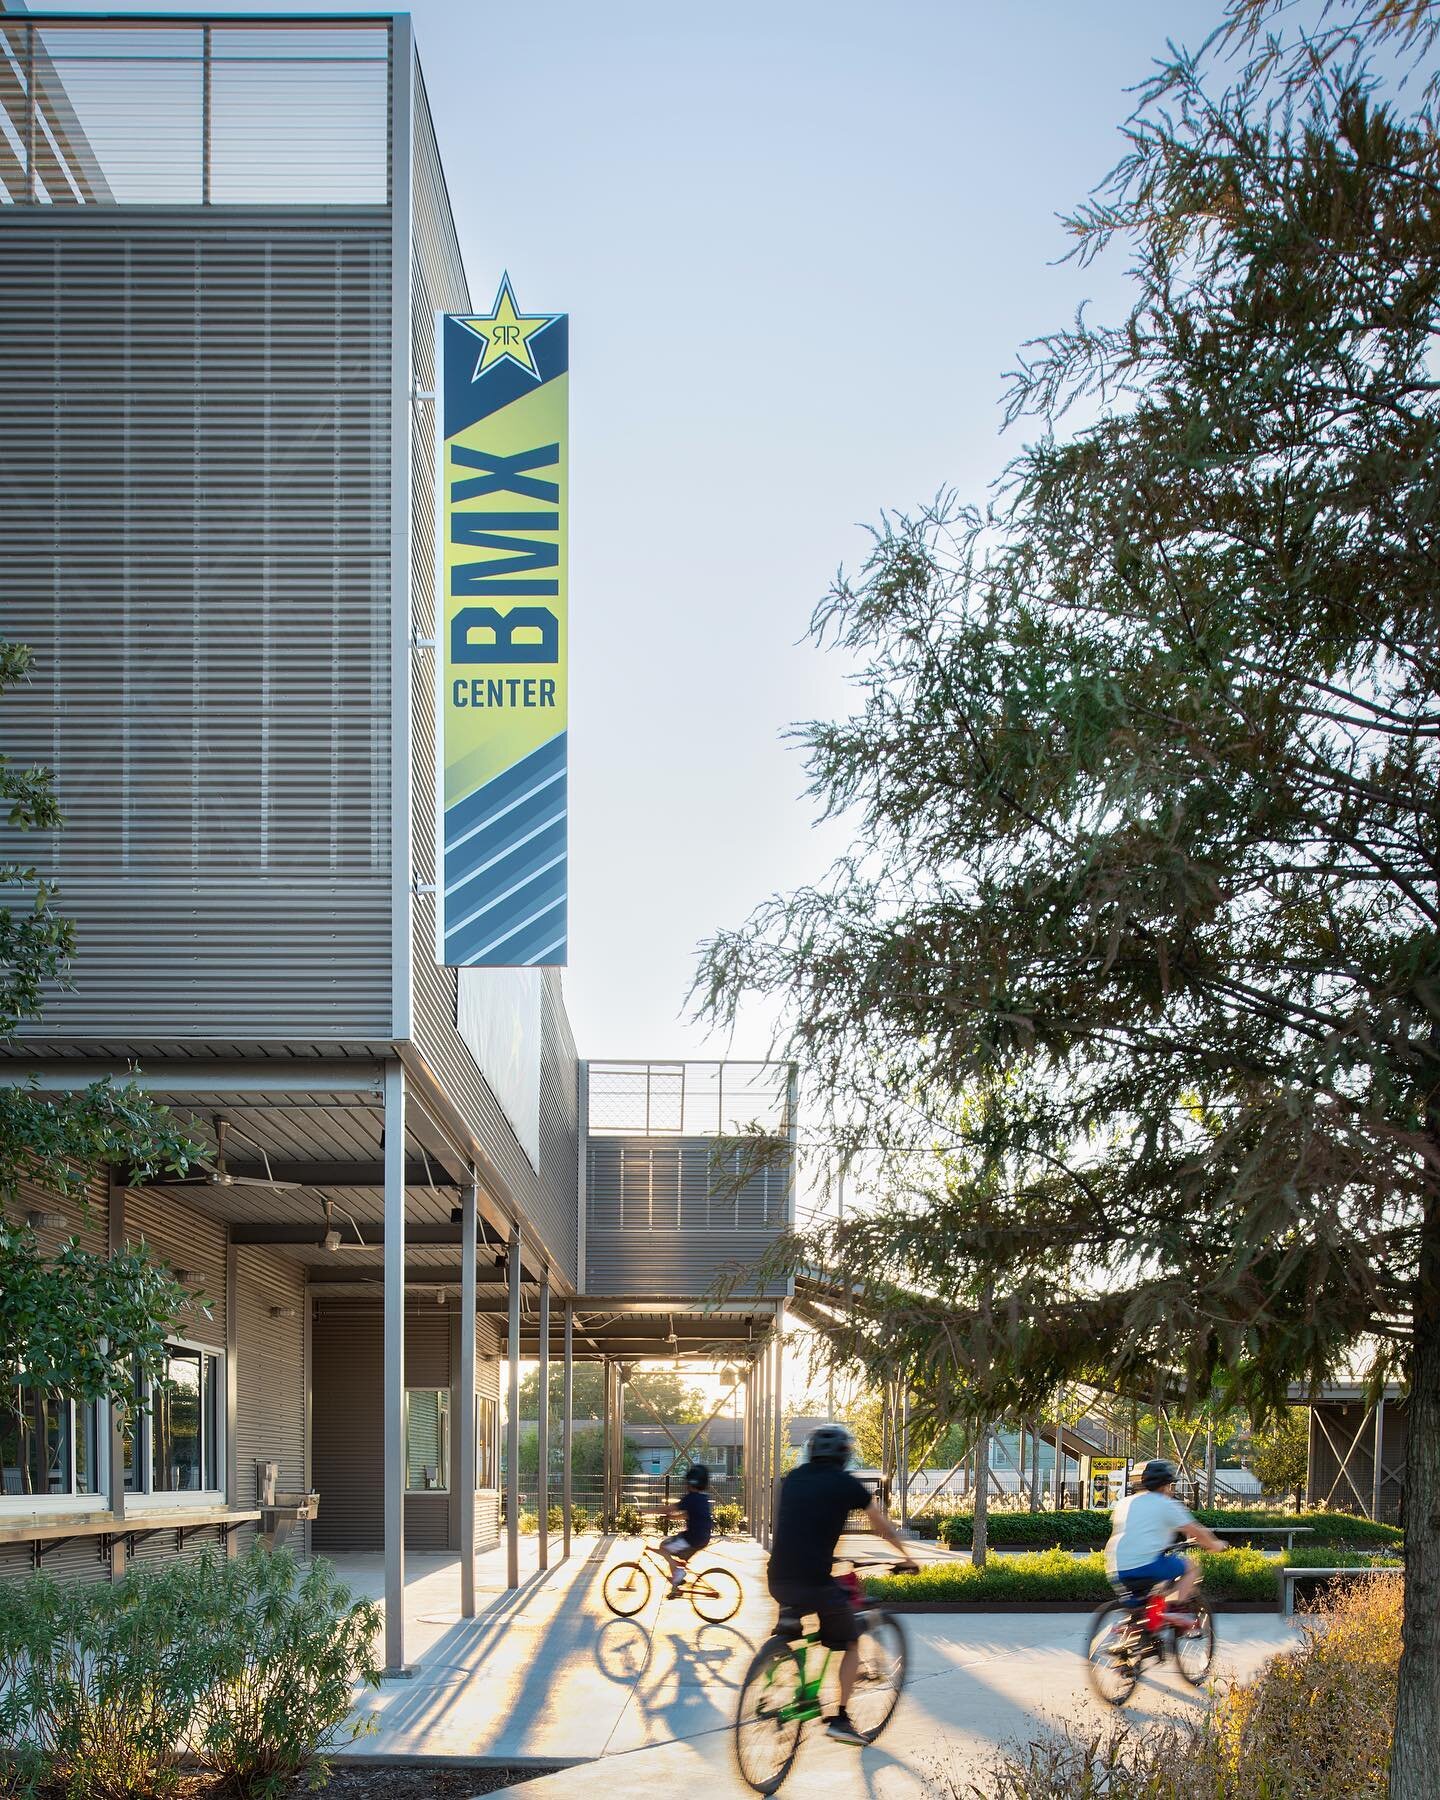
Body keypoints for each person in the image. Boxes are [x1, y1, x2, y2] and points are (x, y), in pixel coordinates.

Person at [768, 1422, 919, 1747]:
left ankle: (783, 1658)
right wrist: (907, 1557)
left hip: (778, 1578)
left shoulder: (793, 1479)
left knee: (795, 1626)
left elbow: (799, 1527)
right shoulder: (847, 1484)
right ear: (844, 1455)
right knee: (850, 1640)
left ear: (810, 1452)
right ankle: (839, 1718)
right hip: (815, 1582)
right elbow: (883, 1529)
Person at [1105, 1458, 1227, 1606]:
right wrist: (1215, 1545)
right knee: (1192, 1567)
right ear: (1166, 1485)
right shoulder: (1166, 1504)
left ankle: (1136, 1624)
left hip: (1118, 1568)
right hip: (1146, 1565)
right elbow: (1197, 1532)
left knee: (1141, 1608)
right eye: (1171, 1485)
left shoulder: (1125, 1502)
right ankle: (1171, 1609)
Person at [660, 1463, 714, 1597]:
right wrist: (671, 1518)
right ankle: (675, 1589)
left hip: (691, 1538)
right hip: (702, 1538)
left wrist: (643, 1511)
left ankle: (678, 1576)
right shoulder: (702, 1498)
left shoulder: (690, 1498)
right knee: (677, 1560)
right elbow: (688, 1515)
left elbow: (669, 1508)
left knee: (663, 1547)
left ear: (691, 1482)